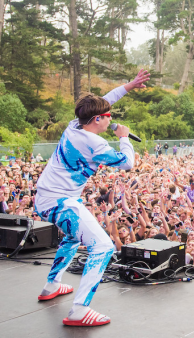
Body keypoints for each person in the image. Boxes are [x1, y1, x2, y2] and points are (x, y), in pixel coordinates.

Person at [34, 69, 149, 327]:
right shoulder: (93, 144)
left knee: (75, 236)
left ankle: (51, 286)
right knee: (104, 246)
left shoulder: (75, 124)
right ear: (97, 119)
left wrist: (129, 85)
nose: (111, 120)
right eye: (108, 117)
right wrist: (123, 139)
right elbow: (128, 164)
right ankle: (79, 310)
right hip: (60, 202)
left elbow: (106, 100)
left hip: (46, 198)